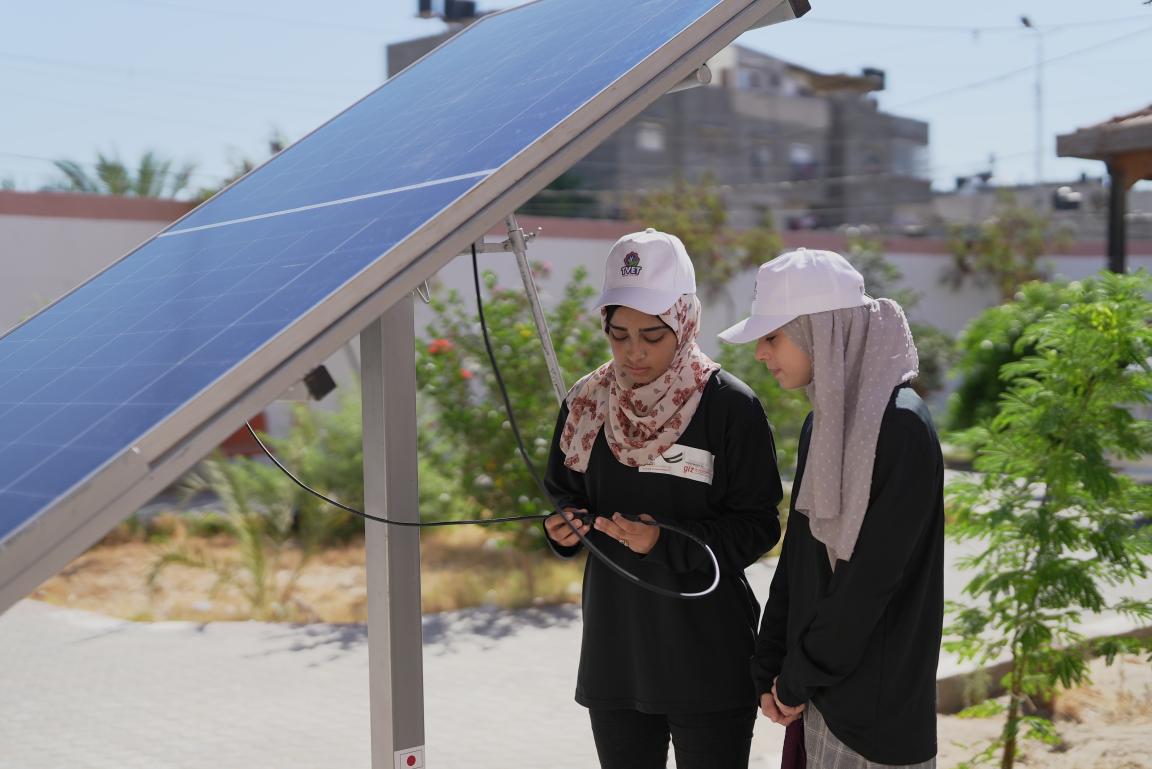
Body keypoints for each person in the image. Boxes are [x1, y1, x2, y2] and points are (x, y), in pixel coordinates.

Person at [543, 227, 784, 769]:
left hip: (706, 655)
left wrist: (665, 542)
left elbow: (759, 526)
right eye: (619, 333)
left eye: (652, 335)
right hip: (616, 652)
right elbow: (563, 491)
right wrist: (561, 527)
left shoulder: (729, 408)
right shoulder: (586, 403)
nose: (633, 352)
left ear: (685, 321)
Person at [718, 248, 945, 769]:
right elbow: (799, 557)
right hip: (817, 694)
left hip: (876, 719)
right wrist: (768, 663)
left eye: (772, 336)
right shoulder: (824, 422)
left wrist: (795, 677)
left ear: (821, 331)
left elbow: (869, 583)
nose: (760, 353)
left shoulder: (900, 425)